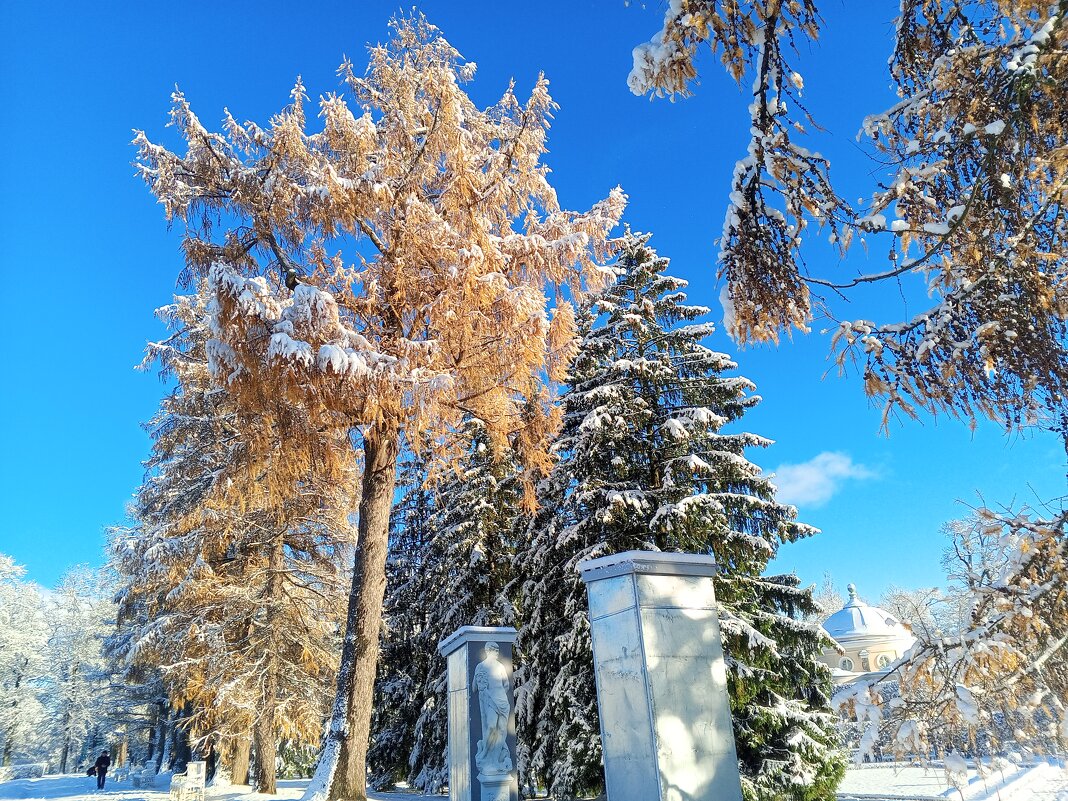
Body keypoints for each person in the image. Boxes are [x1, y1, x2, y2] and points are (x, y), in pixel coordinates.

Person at [471, 641, 512, 775]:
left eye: (498, 650)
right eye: (495, 650)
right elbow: (474, 688)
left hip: (502, 702)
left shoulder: (500, 666)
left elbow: (506, 684)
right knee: (491, 727)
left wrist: (498, 694)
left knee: (501, 730)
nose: (497, 652)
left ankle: (495, 760)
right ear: (488, 651)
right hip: (490, 700)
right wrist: (479, 681)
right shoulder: (480, 667)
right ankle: (485, 753)